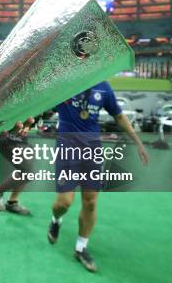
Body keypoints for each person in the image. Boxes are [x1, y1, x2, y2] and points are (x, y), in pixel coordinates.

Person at [47, 82, 149, 272]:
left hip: (92, 149)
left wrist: (139, 143)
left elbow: (118, 115)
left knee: (91, 201)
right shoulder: (66, 82)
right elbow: (41, 106)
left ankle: (81, 247)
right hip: (67, 148)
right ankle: (55, 220)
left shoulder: (104, 87)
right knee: (64, 203)